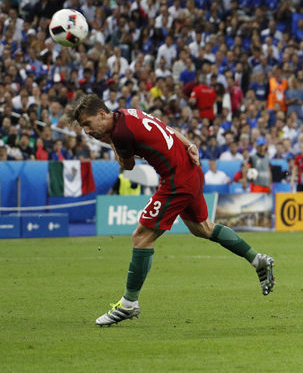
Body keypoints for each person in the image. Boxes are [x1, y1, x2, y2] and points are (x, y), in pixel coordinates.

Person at [69, 94, 275, 326]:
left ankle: (129, 304)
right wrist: (190, 144)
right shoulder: (128, 113)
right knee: (204, 228)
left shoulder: (120, 134)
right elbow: (165, 127)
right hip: (191, 169)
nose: (86, 131)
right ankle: (258, 260)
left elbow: (128, 166)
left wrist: (111, 143)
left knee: (141, 237)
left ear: (102, 114)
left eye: (88, 124)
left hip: (177, 180)